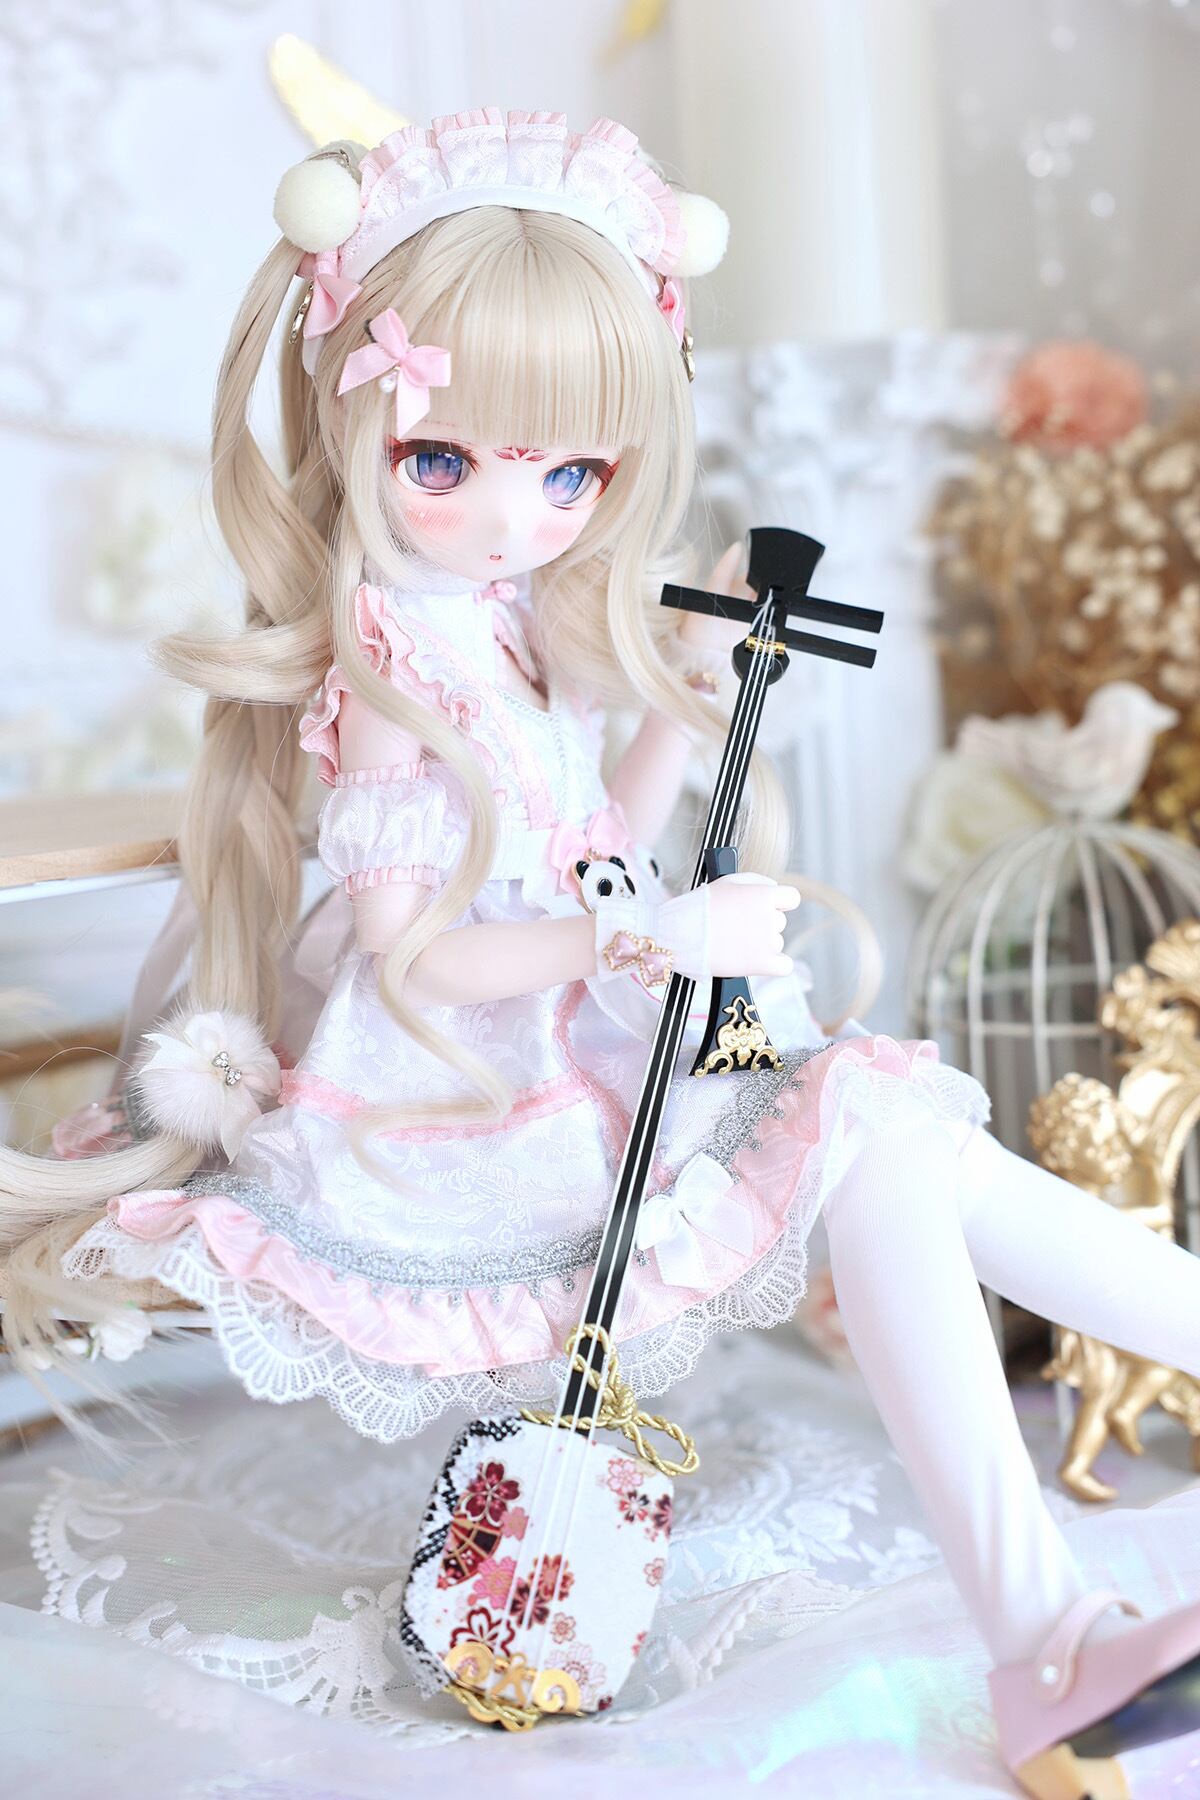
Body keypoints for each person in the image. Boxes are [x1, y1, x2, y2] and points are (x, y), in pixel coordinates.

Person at [4, 108, 1200, 1798]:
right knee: (886, 1143)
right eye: (448, 462)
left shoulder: (494, 624)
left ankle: (1050, 1641)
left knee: (903, 1146)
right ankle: (1048, 1642)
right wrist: (648, 928)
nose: (516, 515)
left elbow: (580, 837)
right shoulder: (384, 673)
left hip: (588, 1013)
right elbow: (416, 965)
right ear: (360, 425)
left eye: (570, 476)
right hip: (470, 1085)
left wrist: (682, 711)